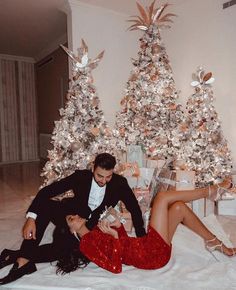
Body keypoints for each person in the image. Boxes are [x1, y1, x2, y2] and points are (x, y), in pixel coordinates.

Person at [0, 153, 145, 284]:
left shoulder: (119, 184)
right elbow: (47, 192)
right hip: (71, 216)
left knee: (62, 251)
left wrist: (142, 239)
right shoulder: (80, 177)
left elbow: (135, 210)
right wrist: (31, 218)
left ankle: (13, 256)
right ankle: (23, 260)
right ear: (93, 168)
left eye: (108, 176)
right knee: (44, 206)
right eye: (100, 176)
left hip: (90, 228)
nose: (104, 181)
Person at [58, 183, 236, 274]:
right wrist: (116, 236)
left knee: (179, 207)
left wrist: (118, 228)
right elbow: (114, 266)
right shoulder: (85, 245)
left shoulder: (96, 229)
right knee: (162, 197)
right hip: (149, 255)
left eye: (72, 215)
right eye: (71, 219)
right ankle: (210, 191)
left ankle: (215, 243)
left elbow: (123, 241)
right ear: (72, 231)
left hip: (145, 246)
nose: (75, 216)